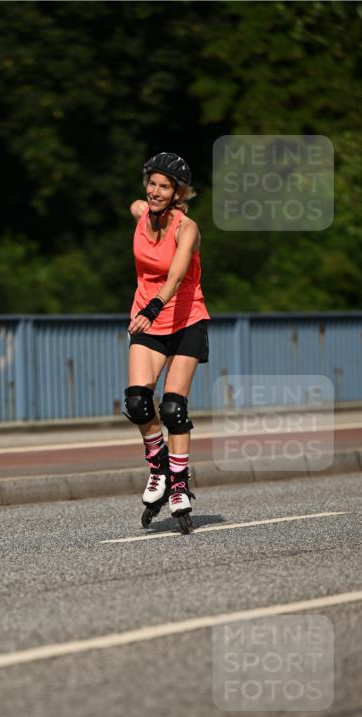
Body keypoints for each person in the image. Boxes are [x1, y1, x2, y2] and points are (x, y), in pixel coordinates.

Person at [124, 151, 210, 531]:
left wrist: (152, 309)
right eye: (152, 183)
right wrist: (147, 313)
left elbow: (175, 278)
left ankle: (178, 484)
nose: (156, 191)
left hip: (185, 319)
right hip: (149, 322)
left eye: (165, 186)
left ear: (179, 193)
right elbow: (136, 205)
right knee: (138, 401)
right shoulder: (141, 211)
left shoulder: (186, 228)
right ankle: (158, 465)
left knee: (173, 410)